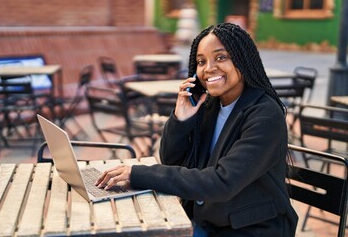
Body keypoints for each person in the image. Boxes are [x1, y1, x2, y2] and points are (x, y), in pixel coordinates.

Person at [96, 23, 298, 236]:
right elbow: (172, 161)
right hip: (207, 221)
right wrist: (180, 119)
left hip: (250, 229)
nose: (208, 68)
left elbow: (222, 181)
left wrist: (139, 175)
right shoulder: (209, 106)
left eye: (221, 57)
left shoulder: (265, 115)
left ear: (243, 60)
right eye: (201, 61)